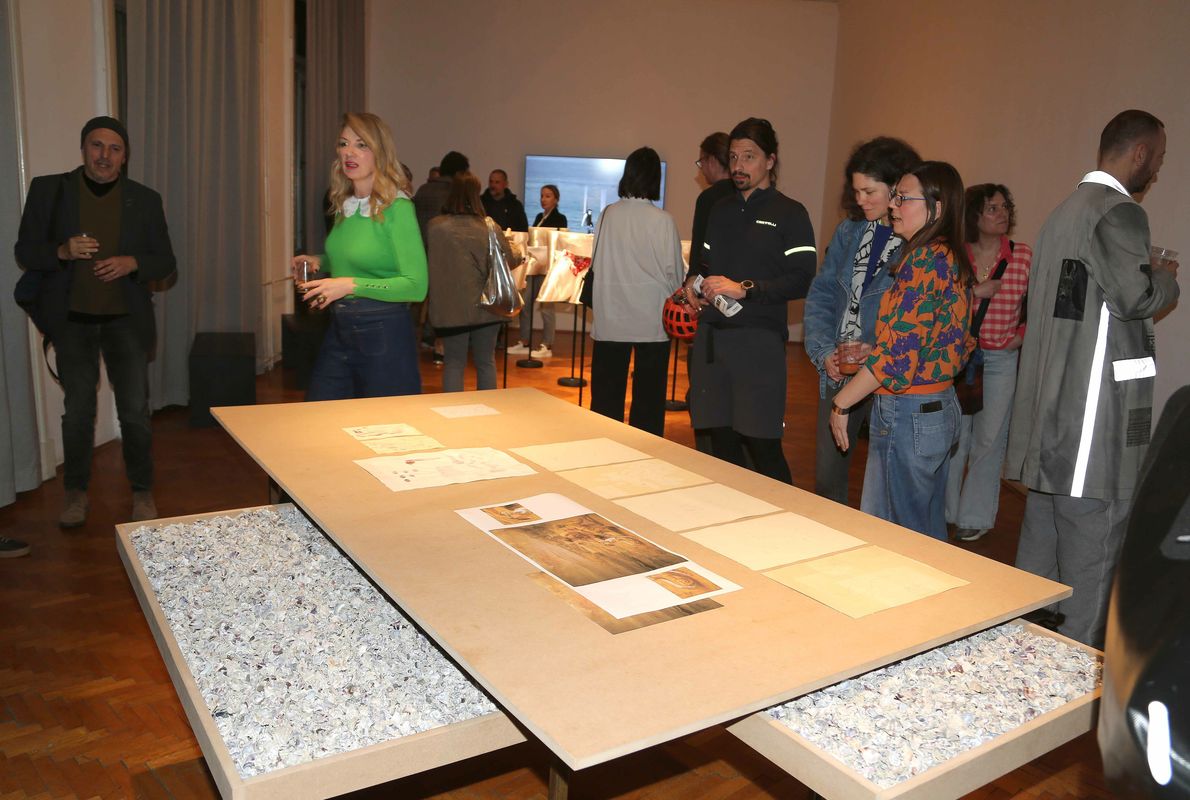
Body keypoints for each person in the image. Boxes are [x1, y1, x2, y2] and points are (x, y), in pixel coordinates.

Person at [1006, 109, 1179, 648]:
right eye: (1158, 158)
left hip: (1051, 417)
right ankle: (1078, 666)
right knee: (1095, 546)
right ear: (1140, 153)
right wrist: (1165, 281)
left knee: (1041, 547)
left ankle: (1023, 654)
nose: (1157, 170)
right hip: (1092, 425)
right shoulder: (1119, 213)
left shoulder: (1062, 213)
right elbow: (1134, 299)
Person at [15, 116, 177, 527]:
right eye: (96, 145)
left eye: (114, 148)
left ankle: (142, 492)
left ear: (124, 157)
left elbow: (165, 262)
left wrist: (132, 262)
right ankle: (75, 495)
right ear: (83, 149)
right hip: (72, 322)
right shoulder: (49, 190)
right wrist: (61, 251)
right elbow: (25, 251)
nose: (105, 155)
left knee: (135, 412)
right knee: (78, 411)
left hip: (127, 322)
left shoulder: (145, 199)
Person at [828, 161, 974, 540]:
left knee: (894, 541)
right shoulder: (947, 256)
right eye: (894, 196)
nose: (893, 205)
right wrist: (880, 348)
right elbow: (945, 341)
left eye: (903, 198)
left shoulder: (923, 261)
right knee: (924, 534)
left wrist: (841, 403)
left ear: (936, 208)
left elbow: (895, 361)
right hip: (937, 406)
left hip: (909, 413)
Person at [685, 118, 816, 483]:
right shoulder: (720, 209)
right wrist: (693, 285)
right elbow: (703, 265)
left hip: (759, 344)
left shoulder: (791, 213)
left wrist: (745, 288)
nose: (739, 165)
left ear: (770, 161)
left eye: (749, 156)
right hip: (712, 340)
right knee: (720, 444)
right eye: (733, 157)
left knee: (763, 445)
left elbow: (804, 278)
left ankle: (785, 512)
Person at [804, 137, 921, 505]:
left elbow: (914, 322)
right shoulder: (849, 232)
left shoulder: (916, 243)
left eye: (869, 191)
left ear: (897, 187)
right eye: (856, 192)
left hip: (886, 376)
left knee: (885, 483)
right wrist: (824, 352)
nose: (861, 200)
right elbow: (822, 294)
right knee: (828, 479)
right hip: (840, 367)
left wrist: (879, 349)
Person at [292, 112, 427, 400]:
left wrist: (350, 285)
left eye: (361, 144)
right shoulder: (345, 204)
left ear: (380, 152)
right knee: (319, 414)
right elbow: (359, 257)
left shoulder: (397, 208)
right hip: (340, 327)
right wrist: (319, 261)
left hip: (384, 330)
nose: (349, 152)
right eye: (344, 144)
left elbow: (416, 286)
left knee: (385, 422)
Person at [944, 184, 1033, 542]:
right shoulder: (955, 254)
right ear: (974, 216)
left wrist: (1021, 335)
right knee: (955, 437)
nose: (1002, 213)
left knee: (990, 439)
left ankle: (974, 515)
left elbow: (1039, 304)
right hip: (959, 356)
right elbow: (939, 301)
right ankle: (946, 511)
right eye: (992, 208)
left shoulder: (1022, 256)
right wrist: (974, 292)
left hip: (999, 359)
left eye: (1004, 207)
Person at [589, 147, 684, 436]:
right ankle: (645, 451)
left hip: (611, 314)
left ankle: (604, 447)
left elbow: (596, 262)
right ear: (655, 178)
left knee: (606, 398)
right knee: (649, 400)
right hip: (652, 318)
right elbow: (674, 274)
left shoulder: (608, 214)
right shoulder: (663, 220)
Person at [426, 173, 520, 392]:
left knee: (453, 363)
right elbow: (509, 260)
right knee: (485, 362)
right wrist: (515, 247)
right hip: (487, 306)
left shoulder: (435, 227)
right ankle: (487, 410)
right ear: (476, 195)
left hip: (450, 308)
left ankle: (453, 411)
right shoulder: (489, 227)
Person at [510, 185, 567, 359]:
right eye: (542, 195)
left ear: (556, 199)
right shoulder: (538, 217)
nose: (543, 199)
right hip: (534, 267)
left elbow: (559, 243)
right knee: (525, 304)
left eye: (548, 196)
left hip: (547, 269)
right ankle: (524, 341)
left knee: (546, 307)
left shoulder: (560, 218)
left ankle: (547, 344)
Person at [688, 132, 733, 278]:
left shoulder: (708, 198)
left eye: (701, 162)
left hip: (713, 280)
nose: (701, 169)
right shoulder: (745, 194)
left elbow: (699, 247)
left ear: (712, 160)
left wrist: (692, 278)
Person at [413, 151, 469, 243]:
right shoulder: (457, 193)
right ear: (460, 173)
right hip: (444, 245)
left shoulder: (423, 189)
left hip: (420, 243)